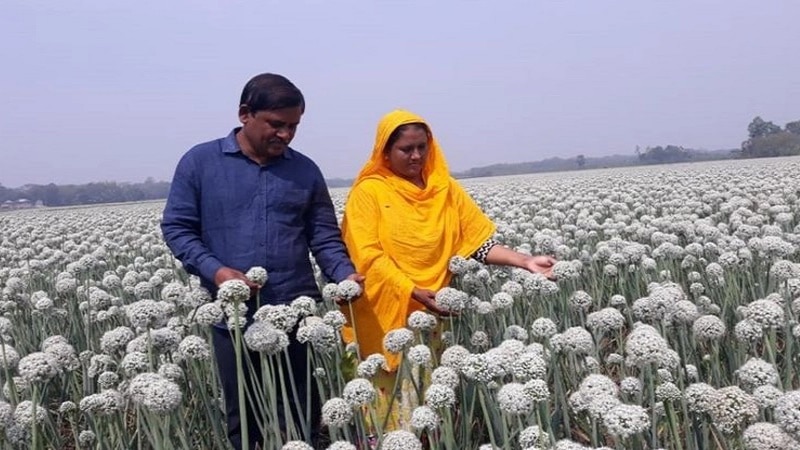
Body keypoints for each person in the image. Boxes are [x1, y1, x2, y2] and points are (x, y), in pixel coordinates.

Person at [161, 73, 363, 450]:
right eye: (276, 124)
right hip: (233, 317)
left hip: (296, 309)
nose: (285, 135)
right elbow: (178, 229)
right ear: (244, 114)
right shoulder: (200, 162)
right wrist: (217, 271)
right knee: (244, 415)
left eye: (293, 126)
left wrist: (344, 274)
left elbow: (322, 235)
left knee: (302, 414)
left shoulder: (304, 170)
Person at [340, 109, 555, 431]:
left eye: (421, 147)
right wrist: (411, 289)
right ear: (385, 151)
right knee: (385, 413)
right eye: (405, 149)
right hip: (381, 313)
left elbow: (475, 245)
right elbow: (367, 255)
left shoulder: (445, 189)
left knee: (427, 409)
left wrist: (524, 261)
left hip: (433, 314)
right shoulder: (369, 192)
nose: (415, 156)